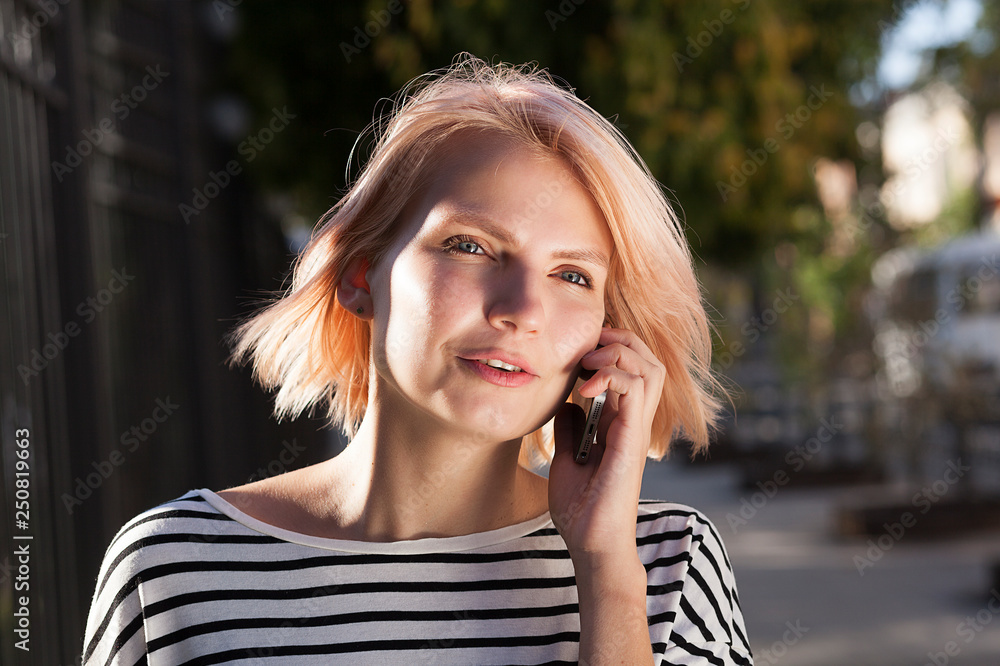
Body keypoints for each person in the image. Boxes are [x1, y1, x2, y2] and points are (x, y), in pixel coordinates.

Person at [83, 55, 753, 665]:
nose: (522, 307)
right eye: (470, 246)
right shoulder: (171, 570)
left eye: (573, 275)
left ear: (607, 336)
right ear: (360, 273)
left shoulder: (666, 565)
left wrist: (607, 578)